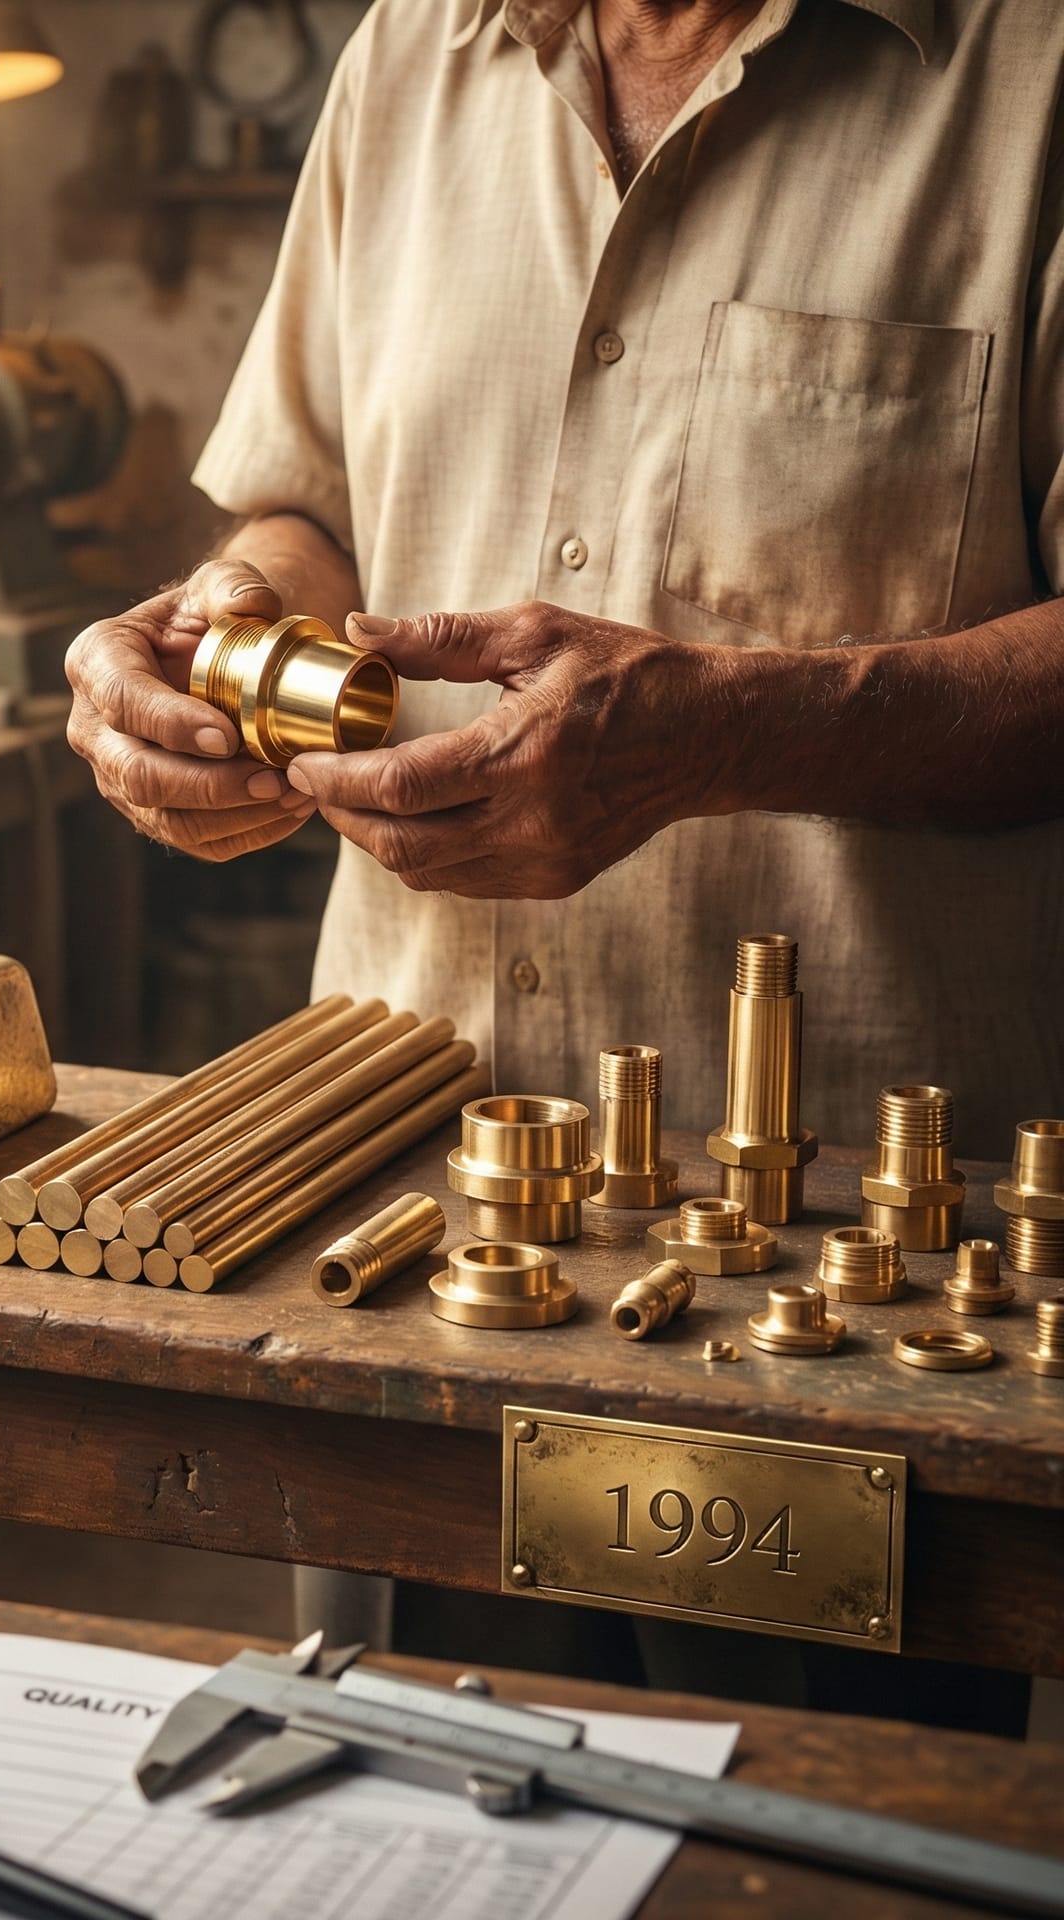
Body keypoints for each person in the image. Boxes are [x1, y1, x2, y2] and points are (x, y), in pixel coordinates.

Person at [65, 0, 1064, 1725]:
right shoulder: (412, 55)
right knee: (392, 1813)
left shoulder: (1031, 69)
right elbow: (306, 506)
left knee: (802, 1852)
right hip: (401, 1195)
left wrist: (729, 732)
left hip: (841, 1272)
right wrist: (233, 626)